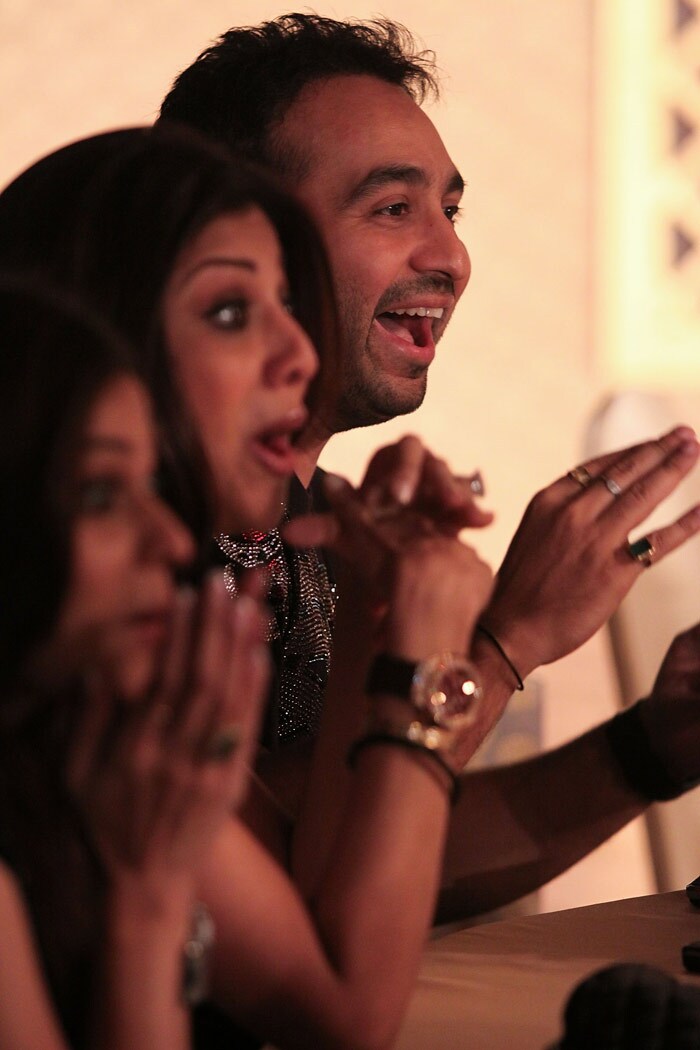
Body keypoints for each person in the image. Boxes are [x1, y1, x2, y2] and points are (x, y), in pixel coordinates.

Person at [158, 12, 700, 921]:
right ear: (231, 240)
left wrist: (653, 747)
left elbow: (390, 847)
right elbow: (279, 876)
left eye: (448, 211)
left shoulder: (316, 519)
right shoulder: (140, 515)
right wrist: (503, 642)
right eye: (392, 207)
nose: (451, 258)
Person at [0, 127, 497, 1048]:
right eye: (232, 312)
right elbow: (345, 1017)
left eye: (288, 301)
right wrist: (451, 660)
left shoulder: (100, 689)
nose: (302, 355)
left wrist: (377, 617)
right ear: (93, 331)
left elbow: (329, 995)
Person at [0, 278, 268, 1049]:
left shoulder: (70, 757)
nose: (174, 543)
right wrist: (150, 896)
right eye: (100, 495)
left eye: (150, 484)